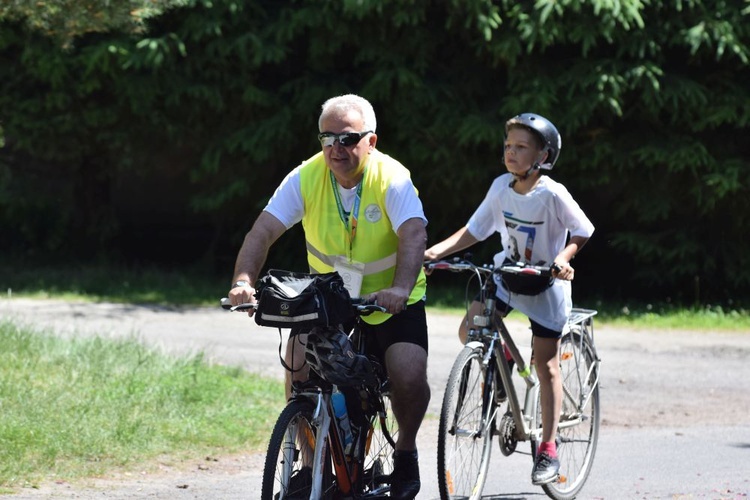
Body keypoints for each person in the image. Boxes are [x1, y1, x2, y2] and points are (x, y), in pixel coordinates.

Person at [228, 94, 429, 499]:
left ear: (371, 141)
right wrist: (244, 281)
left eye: (348, 138)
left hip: (391, 300)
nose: (336, 148)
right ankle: (308, 460)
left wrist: (401, 289)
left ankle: (405, 451)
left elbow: (413, 234)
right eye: (328, 138)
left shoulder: (392, 178)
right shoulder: (305, 177)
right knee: (299, 367)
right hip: (329, 299)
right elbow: (262, 231)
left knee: (407, 375)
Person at [423, 113, 594, 486]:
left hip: (545, 285)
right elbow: (475, 229)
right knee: (470, 327)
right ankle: (500, 369)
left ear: (543, 155)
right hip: (509, 276)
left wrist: (562, 261)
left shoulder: (551, 192)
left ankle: (548, 446)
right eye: (507, 146)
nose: (510, 153)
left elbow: (582, 230)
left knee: (546, 364)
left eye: (520, 147)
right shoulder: (501, 187)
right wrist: (435, 252)